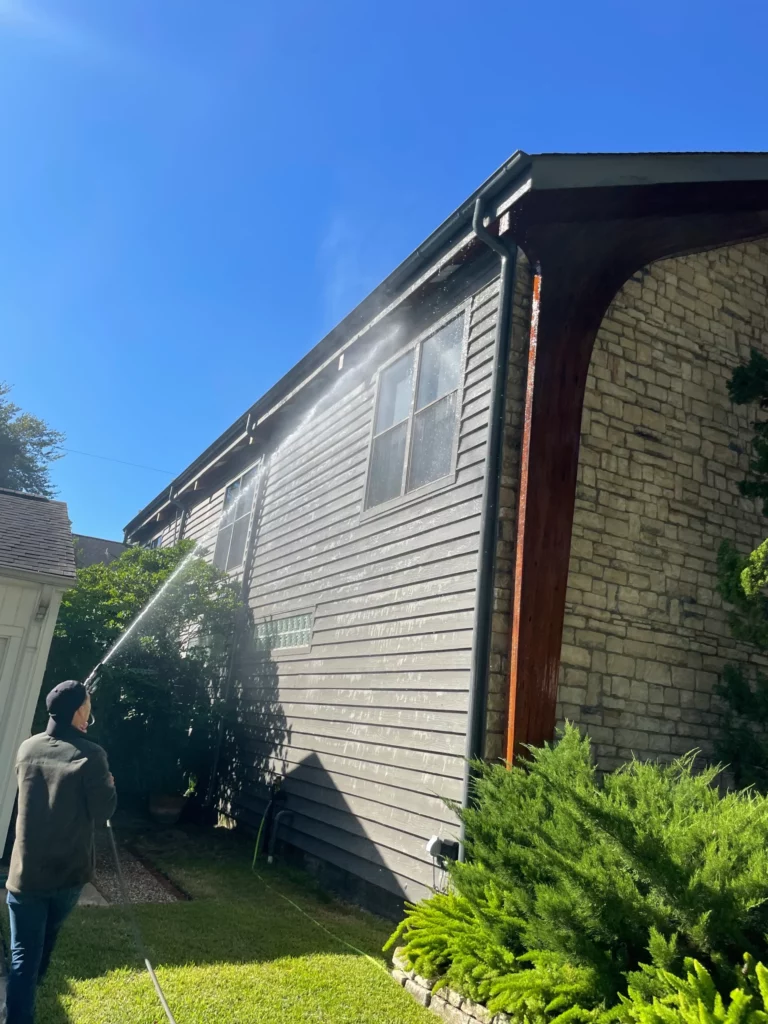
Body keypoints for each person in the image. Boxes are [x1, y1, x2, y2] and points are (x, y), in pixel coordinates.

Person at [4, 680, 116, 1024]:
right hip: (68, 874)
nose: (90, 714)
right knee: (39, 946)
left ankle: (21, 1003)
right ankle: (23, 1002)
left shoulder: (27, 749)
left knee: (25, 955)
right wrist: (109, 782)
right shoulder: (91, 756)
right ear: (78, 714)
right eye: (88, 707)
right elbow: (104, 811)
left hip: (25, 876)